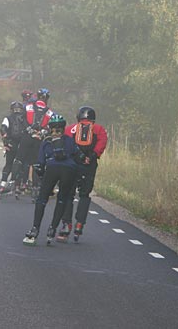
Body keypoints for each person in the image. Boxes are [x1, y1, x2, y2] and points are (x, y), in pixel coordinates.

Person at [23, 115, 79, 246]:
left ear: (50, 128)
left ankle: (35, 229)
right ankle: (52, 228)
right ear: (63, 128)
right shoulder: (70, 140)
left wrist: (42, 177)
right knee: (61, 200)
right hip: (69, 171)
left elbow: (40, 163)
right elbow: (78, 157)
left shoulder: (46, 141)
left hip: (52, 169)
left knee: (42, 199)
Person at [57, 106, 108, 242]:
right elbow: (102, 144)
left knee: (68, 194)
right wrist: (91, 156)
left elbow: (65, 144)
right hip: (89, 166)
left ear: (79, 117)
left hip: (72, 164)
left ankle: (66, 225)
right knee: (84, 195)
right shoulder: (99, 129)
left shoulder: (70, 129)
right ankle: (79, 224)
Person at [11, 96, 55, 201]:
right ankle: (35, 188)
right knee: (36, 163)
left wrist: (28, 129)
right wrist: (43, 132)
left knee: (19, 159)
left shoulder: (28, 106)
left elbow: (20, 119)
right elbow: (53, 125)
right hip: (39, 138)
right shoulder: (50, 112)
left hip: (27, 137)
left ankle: (13, 182)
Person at [0, 101, 28, 199]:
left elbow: (3, 129)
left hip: (11, 143)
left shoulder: (8, 118)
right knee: (21, 164)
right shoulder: (25, 118)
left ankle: (2, 184)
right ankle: (18, 186)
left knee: (8, 164)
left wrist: (5, 141)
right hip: (22, 145)